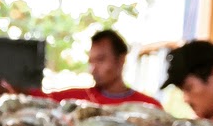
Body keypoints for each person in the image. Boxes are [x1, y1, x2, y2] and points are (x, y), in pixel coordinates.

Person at [25, 29, 162, 107]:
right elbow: (38, 98)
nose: (93, 69)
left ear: (121, 60)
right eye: (91, 62)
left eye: (101, 60)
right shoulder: (76, 100)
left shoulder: (148, 106)